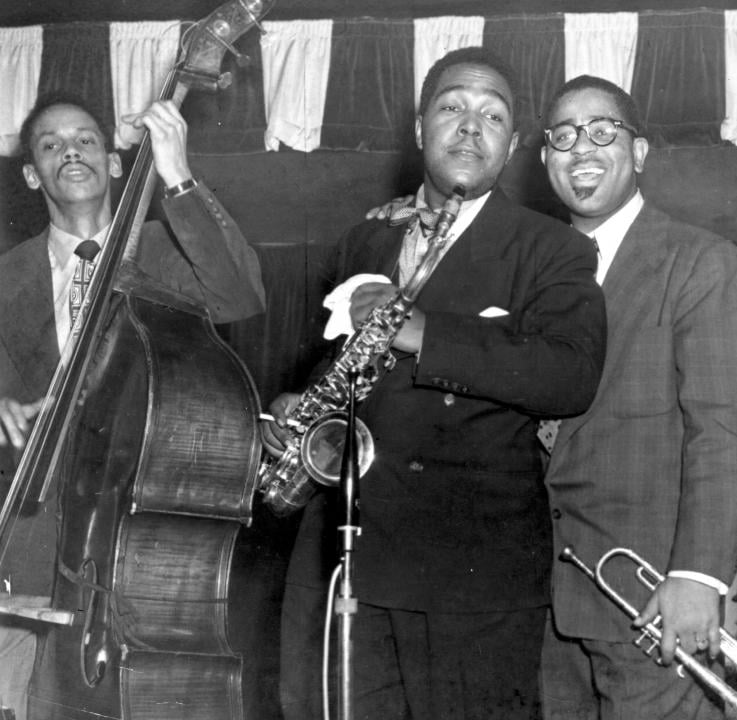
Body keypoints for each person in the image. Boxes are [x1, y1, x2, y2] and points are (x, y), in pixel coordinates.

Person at [261, 48, 606, 720]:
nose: (471, 127)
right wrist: (297, 403)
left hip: (471, 581)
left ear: (511, 146)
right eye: (453, 107)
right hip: (350, 563)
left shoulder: (554, 249)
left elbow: (570, 374)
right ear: (420, 129)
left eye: (493, 115)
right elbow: (335, 365)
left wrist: (423, 331)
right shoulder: (364, 242)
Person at [0, 90, 265, 719]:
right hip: (27, 538)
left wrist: (177, 174)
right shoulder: (4, 278)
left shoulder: (170, 252)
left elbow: (239, 298)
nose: (72, 150)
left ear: (117, 163)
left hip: (128, 540)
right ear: (33, 174)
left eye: (88, 139)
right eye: (52, 143)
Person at [537, 75, 737, 719]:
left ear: (639, 152)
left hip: (650, 599)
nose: (582, 147)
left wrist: (697, 577)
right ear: (544, 159)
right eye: (563, 136)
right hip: (544, 604)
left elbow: (726, 432)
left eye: (603, 131)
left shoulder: (701, 262)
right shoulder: (534, 270)